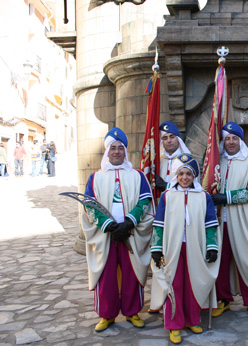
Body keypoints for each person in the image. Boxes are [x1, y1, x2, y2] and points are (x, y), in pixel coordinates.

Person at [81, 127, 155, 332]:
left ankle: (132, 312)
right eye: (112, 148)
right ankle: (107, 315)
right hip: (107, 235)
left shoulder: (138, 176)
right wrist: (108, 225)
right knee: (106, 276)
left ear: (125, 151)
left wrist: (130, 222)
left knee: (132, 274)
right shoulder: (95, 178)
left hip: (130, 233)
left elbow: (145, 201)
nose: (116, 152)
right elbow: (89, 205)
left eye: (120, 148)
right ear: (107, 152)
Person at [149, 153, 219, 344]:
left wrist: (212, 247)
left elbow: (210, 223)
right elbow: (159, 224)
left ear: (194, 176)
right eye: (181, 174)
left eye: (188, 174)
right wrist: (156, 248)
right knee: (174, 283)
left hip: (195, 247)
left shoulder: (204, 197)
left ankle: (192, 319)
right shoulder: (167, 196)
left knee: (192, 282)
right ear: (176, 176)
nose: (185, 178)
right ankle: (174, 324)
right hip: (173, 247)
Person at [211, 122, 248, 320]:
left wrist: (226, 197)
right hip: (220, 221)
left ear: (240, 140)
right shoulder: (216, 163)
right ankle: (224, 300)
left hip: (242, 221)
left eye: (234, 138)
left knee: (246, 261)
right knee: (220, 262)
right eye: (227, 138)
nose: (231, 142)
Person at [155, 121, 191, 192]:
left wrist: (167, 186)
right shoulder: (159, 161)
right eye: (165, 138)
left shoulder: (188, 161)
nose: (169, 141)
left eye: (172, 137)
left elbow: (193, 188)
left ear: (178, 139)